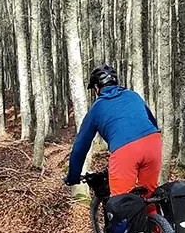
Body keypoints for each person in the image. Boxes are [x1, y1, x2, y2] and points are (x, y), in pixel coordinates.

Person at [64, 65, 163, 196]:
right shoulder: (133, 96)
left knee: (121, 202)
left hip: (126, 149)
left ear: (97, 88)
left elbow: (80, 146)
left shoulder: (96, 108)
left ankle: (125, 216)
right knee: (149, 195)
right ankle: (153, 216)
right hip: (153, 142)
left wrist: (73, 176)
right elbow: (152, 122)